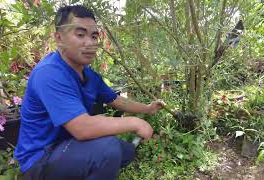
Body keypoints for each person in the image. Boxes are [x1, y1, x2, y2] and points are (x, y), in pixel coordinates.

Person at [14, 5, 164, 180]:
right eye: (80, 35)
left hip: (67, 147)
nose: (90, 43)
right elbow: (82, 128)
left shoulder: (89, 76)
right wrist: (135, 122)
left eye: (94, 36)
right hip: (40, 160)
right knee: (107, 150)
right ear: (59, 38)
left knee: (126, 152)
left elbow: (116, 100)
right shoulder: (49, 73)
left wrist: (148, 109)